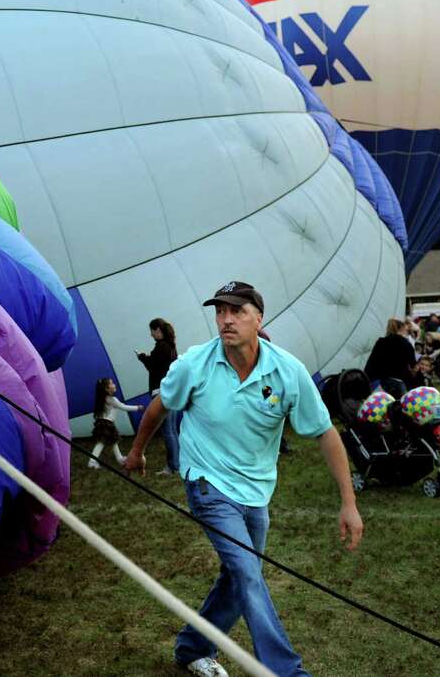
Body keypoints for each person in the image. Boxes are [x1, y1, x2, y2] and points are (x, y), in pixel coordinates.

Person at [124, 281, 362, 677]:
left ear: (258, 318)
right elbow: (159, 407)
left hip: (255, 491)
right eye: (220, 311)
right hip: (207, 483)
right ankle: (287, 672)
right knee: (249, 575)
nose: (226, 319)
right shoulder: (194, 363)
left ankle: (192, 647)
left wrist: (349, 503)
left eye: (237, 311)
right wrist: (137, 451)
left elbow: (325, 432)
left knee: (237, 576)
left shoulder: (287, 371)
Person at [138, 317, 180, 474]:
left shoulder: (160, 348)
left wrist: (142, 358)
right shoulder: (171, 347)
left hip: (161, 392)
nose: (151, 334)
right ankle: (177, 463)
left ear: (157, 330)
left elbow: (153, 367)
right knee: (173, 430)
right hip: (172, 391)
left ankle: (172, 466)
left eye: (152, 330)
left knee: (167, 431)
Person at [89, 377, 144, 469]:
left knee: (113, 441)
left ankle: (120, 459)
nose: (114, 385)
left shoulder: (104, 399)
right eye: (112, 383)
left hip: (103, 423)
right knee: (101, 443)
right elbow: (123, 407)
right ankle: (92, 462)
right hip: (106, 424)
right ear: (107, 389)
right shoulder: (112, 399)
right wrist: (138, 407)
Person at [363, 318, 418, 389]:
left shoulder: (381, 342)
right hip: (398, 380)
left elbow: (371, 361)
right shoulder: (406, 344)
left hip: (378, 380)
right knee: (397, 400)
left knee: (380, 400)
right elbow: (413, 363)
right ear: (402, 328)